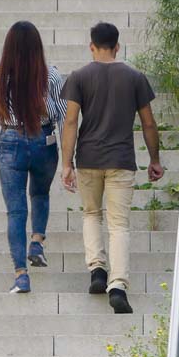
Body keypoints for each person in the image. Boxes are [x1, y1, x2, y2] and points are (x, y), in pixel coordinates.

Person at [61, 22, 165, 315]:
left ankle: (97, 270)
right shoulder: (134, 77)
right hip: (121, 161)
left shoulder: (78, 77)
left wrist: (66, 164)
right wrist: (154, 160)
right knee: (119, 224)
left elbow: (70, 122)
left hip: (89, 159)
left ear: (91, 46)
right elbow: (148, 122)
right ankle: (118, 285)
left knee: (92, 214)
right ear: (117, 46)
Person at [0, 21, 67, 294]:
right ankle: (37, 242)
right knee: (40, 194)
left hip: (10, 141)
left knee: (16, 211)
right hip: (45, 140)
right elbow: (65, 115)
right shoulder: (51, 75)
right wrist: (69, 158)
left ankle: (21, 275)